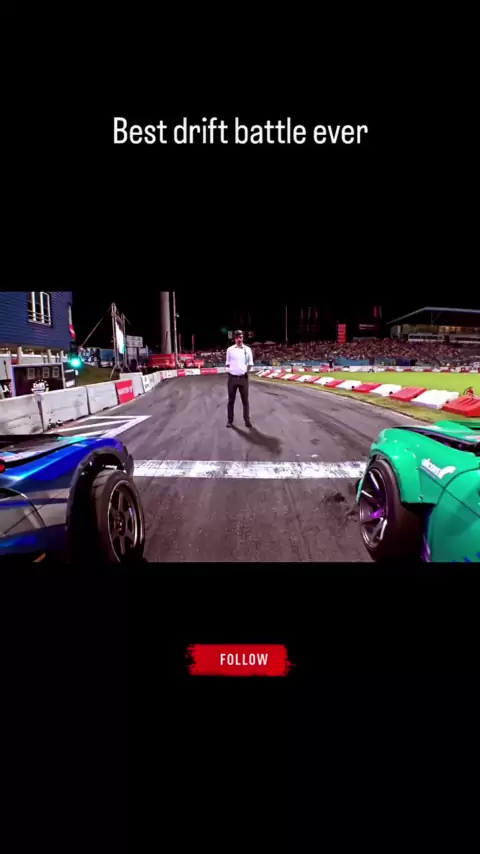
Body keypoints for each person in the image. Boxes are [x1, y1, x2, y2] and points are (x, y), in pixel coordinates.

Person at [226, 330, 254, 427]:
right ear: (235, 339)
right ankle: (230, 421)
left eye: (241, 337)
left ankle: (247, 420)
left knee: (245, 401)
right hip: (232, 378)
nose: (239, 339)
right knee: (231, 401)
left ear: (243, 338)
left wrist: (245, 371)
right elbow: (228, 363)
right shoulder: (230, 350)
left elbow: (250, 364)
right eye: (237, 337)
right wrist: (233, 371)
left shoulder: (247, 350)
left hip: (243, 378)